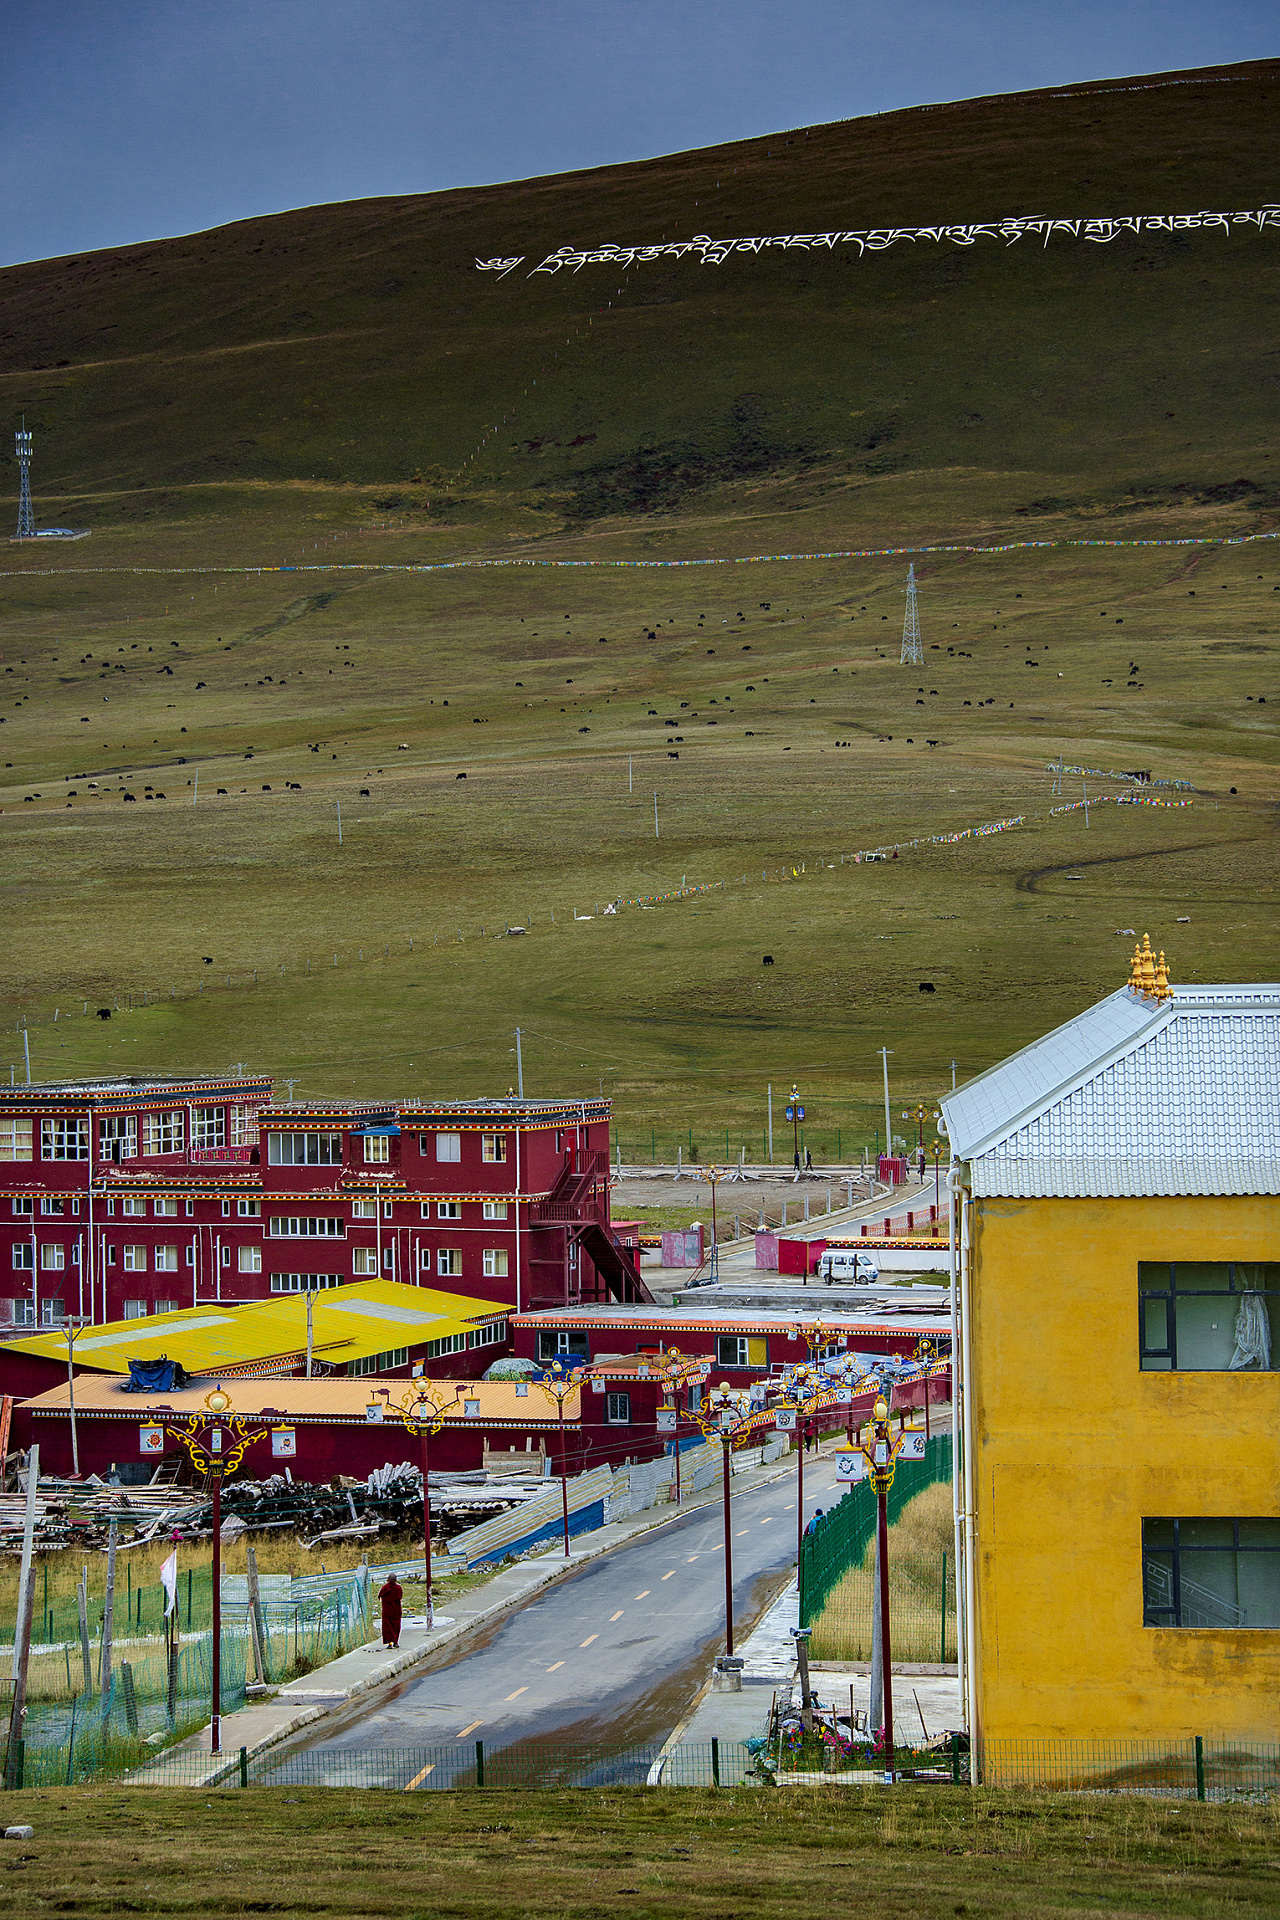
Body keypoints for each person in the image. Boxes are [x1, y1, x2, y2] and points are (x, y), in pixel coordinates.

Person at [378, 1573, 403, 1650]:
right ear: (396, 1580)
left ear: (387, 1579)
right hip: (396, 1611)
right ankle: (395, 1642)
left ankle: (390, 1643)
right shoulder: (398, 1588)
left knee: (387, 1628)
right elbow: (400, 1597)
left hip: (387, 1611)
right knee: (396, 1627)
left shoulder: (385, 1588)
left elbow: (380, 1596)